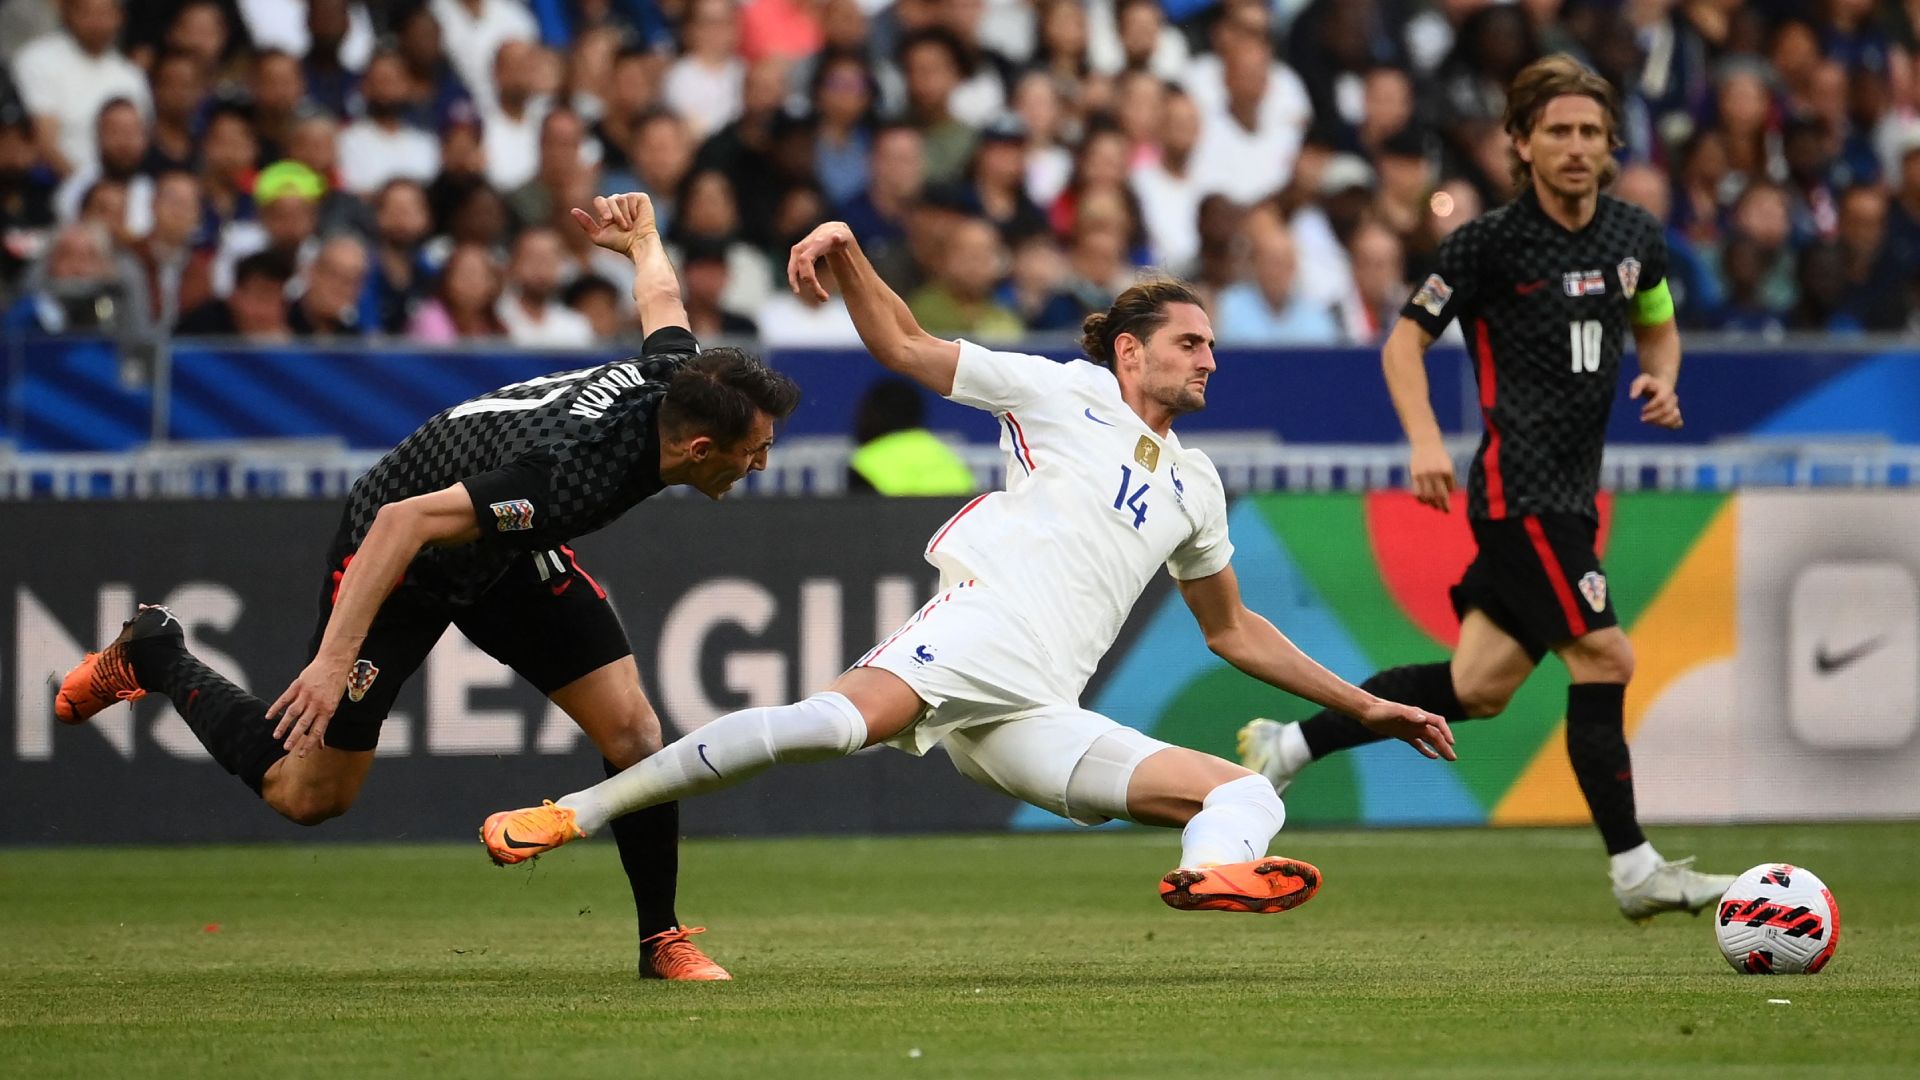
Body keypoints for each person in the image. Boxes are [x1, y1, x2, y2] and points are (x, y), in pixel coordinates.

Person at [478, 224, 1454, 931]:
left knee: (1249, 798)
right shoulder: (1063, 393)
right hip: (981, 631)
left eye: (1209, 344)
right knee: (823, 727)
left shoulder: (1198, 485)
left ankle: (1209, 876)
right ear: (1129, 350)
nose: (1210, 359)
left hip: (1035, 711)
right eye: (1190, 342)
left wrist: (1363, 709)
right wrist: (852, 255)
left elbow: (1233, 631)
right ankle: (574, 813)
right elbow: (904, 347)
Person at [54, 192, 801, 982]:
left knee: (635, 735)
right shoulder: (565, 475)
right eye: (754, 451)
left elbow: (662, 302)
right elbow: (401, 523)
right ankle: (157, 654)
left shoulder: (677, 378)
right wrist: (338, 658)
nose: (760, 464)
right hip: (405, 553)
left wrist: (645, 240)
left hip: (505, 549)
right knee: (309, 794)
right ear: (698, 446)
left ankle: (662, 941)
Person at [1236, 56, 1737, 923]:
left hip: (1572, 494)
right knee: (1607, 656)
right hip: (1519, 492)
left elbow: (1657, 324)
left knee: (1476, 687)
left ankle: (1289, 743)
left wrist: (1663, 377)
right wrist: (1427, 441)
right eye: (1558, 132)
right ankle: (1635, 869)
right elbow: (1402, 346)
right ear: (1520, 143)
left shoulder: (1635, 238)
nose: (1576, 148)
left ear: (1611, 144)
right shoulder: (1487, 244)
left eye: (1590, 132)